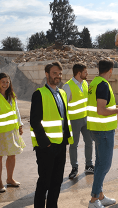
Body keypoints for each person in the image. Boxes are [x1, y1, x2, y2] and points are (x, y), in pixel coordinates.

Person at [30, 61, 74, 208]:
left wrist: (66, 139)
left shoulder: (62, 93)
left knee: (57, 181)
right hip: (46, 146)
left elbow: (64, 118)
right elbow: (35, 121)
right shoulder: (39, 94)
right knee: (44, 182)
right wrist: (45, 143)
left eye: (60, 73)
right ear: (47, 74)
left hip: (60, 144)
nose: (58, 76)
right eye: (55, 73)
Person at [87, 59, 118, 208]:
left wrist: (113, 106)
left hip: (96, 128)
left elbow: (101, 105)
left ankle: (100, 196)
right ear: (110, 70)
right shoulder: (103, 84)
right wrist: (117, 110)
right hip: (103, 130)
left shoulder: (95, 82)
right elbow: (101, 110)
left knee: (99, 164)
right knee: (104, 165)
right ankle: (93, 199)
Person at [62, 63, 94, 179]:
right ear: (79, 73)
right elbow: (63, 106)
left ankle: (89, 165)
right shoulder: (67, 86)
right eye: (85, 72)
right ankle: (74, 168)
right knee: (73, 145)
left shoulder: (85, 83)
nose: (87, 74)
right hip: (74, 120)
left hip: (86, 118)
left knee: (89, 142)